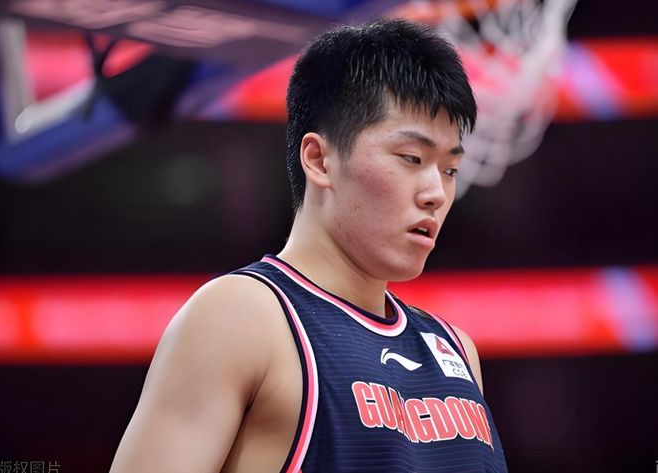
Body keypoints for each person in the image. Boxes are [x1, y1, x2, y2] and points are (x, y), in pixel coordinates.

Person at [110, 18, 507, 473]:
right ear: (319, 159)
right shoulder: (240, 317)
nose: (436, 192)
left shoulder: (456, 349)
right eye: (411, 158)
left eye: (450, 170)